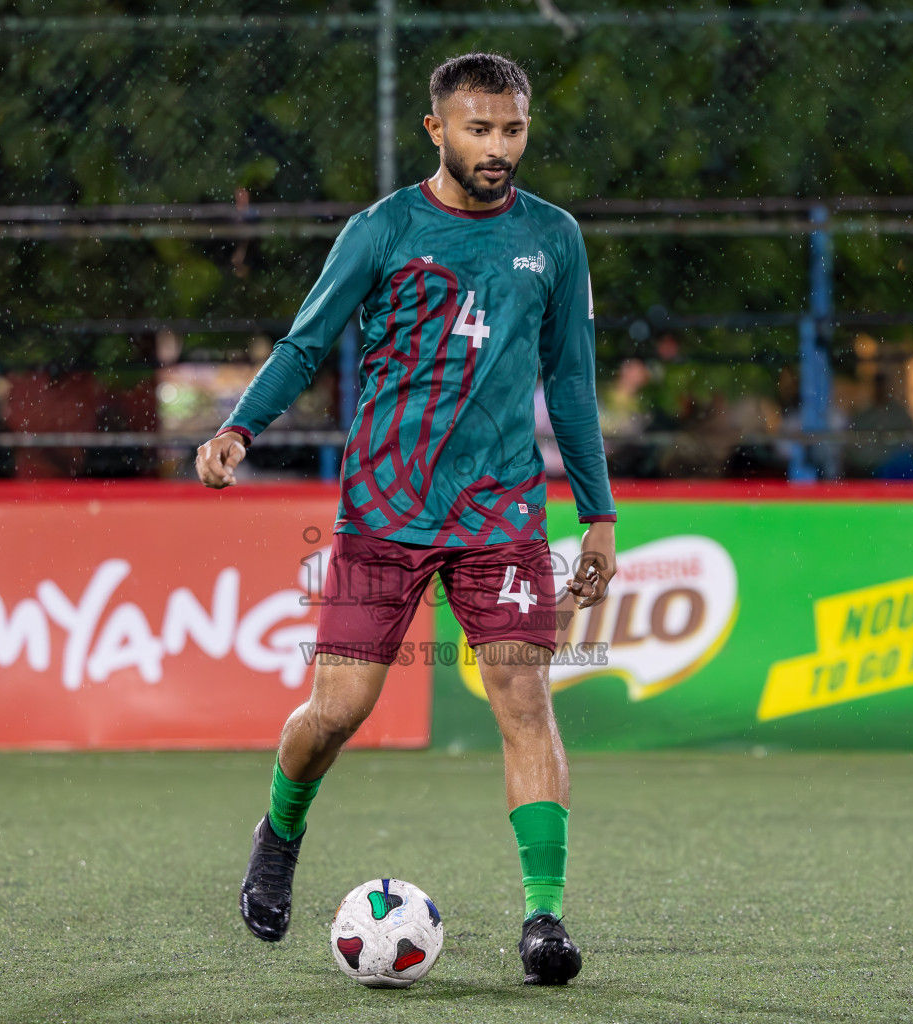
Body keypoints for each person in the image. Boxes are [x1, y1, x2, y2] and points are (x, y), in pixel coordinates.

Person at [193, 53, 615, 986]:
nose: (497, 148)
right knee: (339, 711)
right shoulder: (382, 230)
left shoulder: (553, 237)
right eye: (478, 129)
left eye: (511, 130)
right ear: (437, 129)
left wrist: (598, 517)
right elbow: (305, 344)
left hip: (500, 511)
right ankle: (280, 831)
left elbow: (572, 380)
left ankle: (543, 920)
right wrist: (239, 428)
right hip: (383, 510)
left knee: (523, 696)